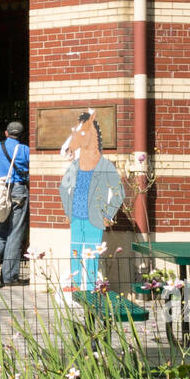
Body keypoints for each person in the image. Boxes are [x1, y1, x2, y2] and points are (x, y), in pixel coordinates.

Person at [58, 110, 124, 292]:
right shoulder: (74, 165)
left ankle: (91, 287)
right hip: (76, 216)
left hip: (95, 216)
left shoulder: (105, 166)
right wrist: (68, 211)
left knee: (93, 253)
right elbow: (63, 187)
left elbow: (119, 192)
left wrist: (108, 214)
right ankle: (76, 286)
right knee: (76, 251)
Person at [0, 121, 30, 288]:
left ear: (6, 133)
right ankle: (9, 277)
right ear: (22, 135)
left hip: (1, 191)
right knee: (15, 233)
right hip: (18, 191)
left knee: (1, 232)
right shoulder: (25, 150)